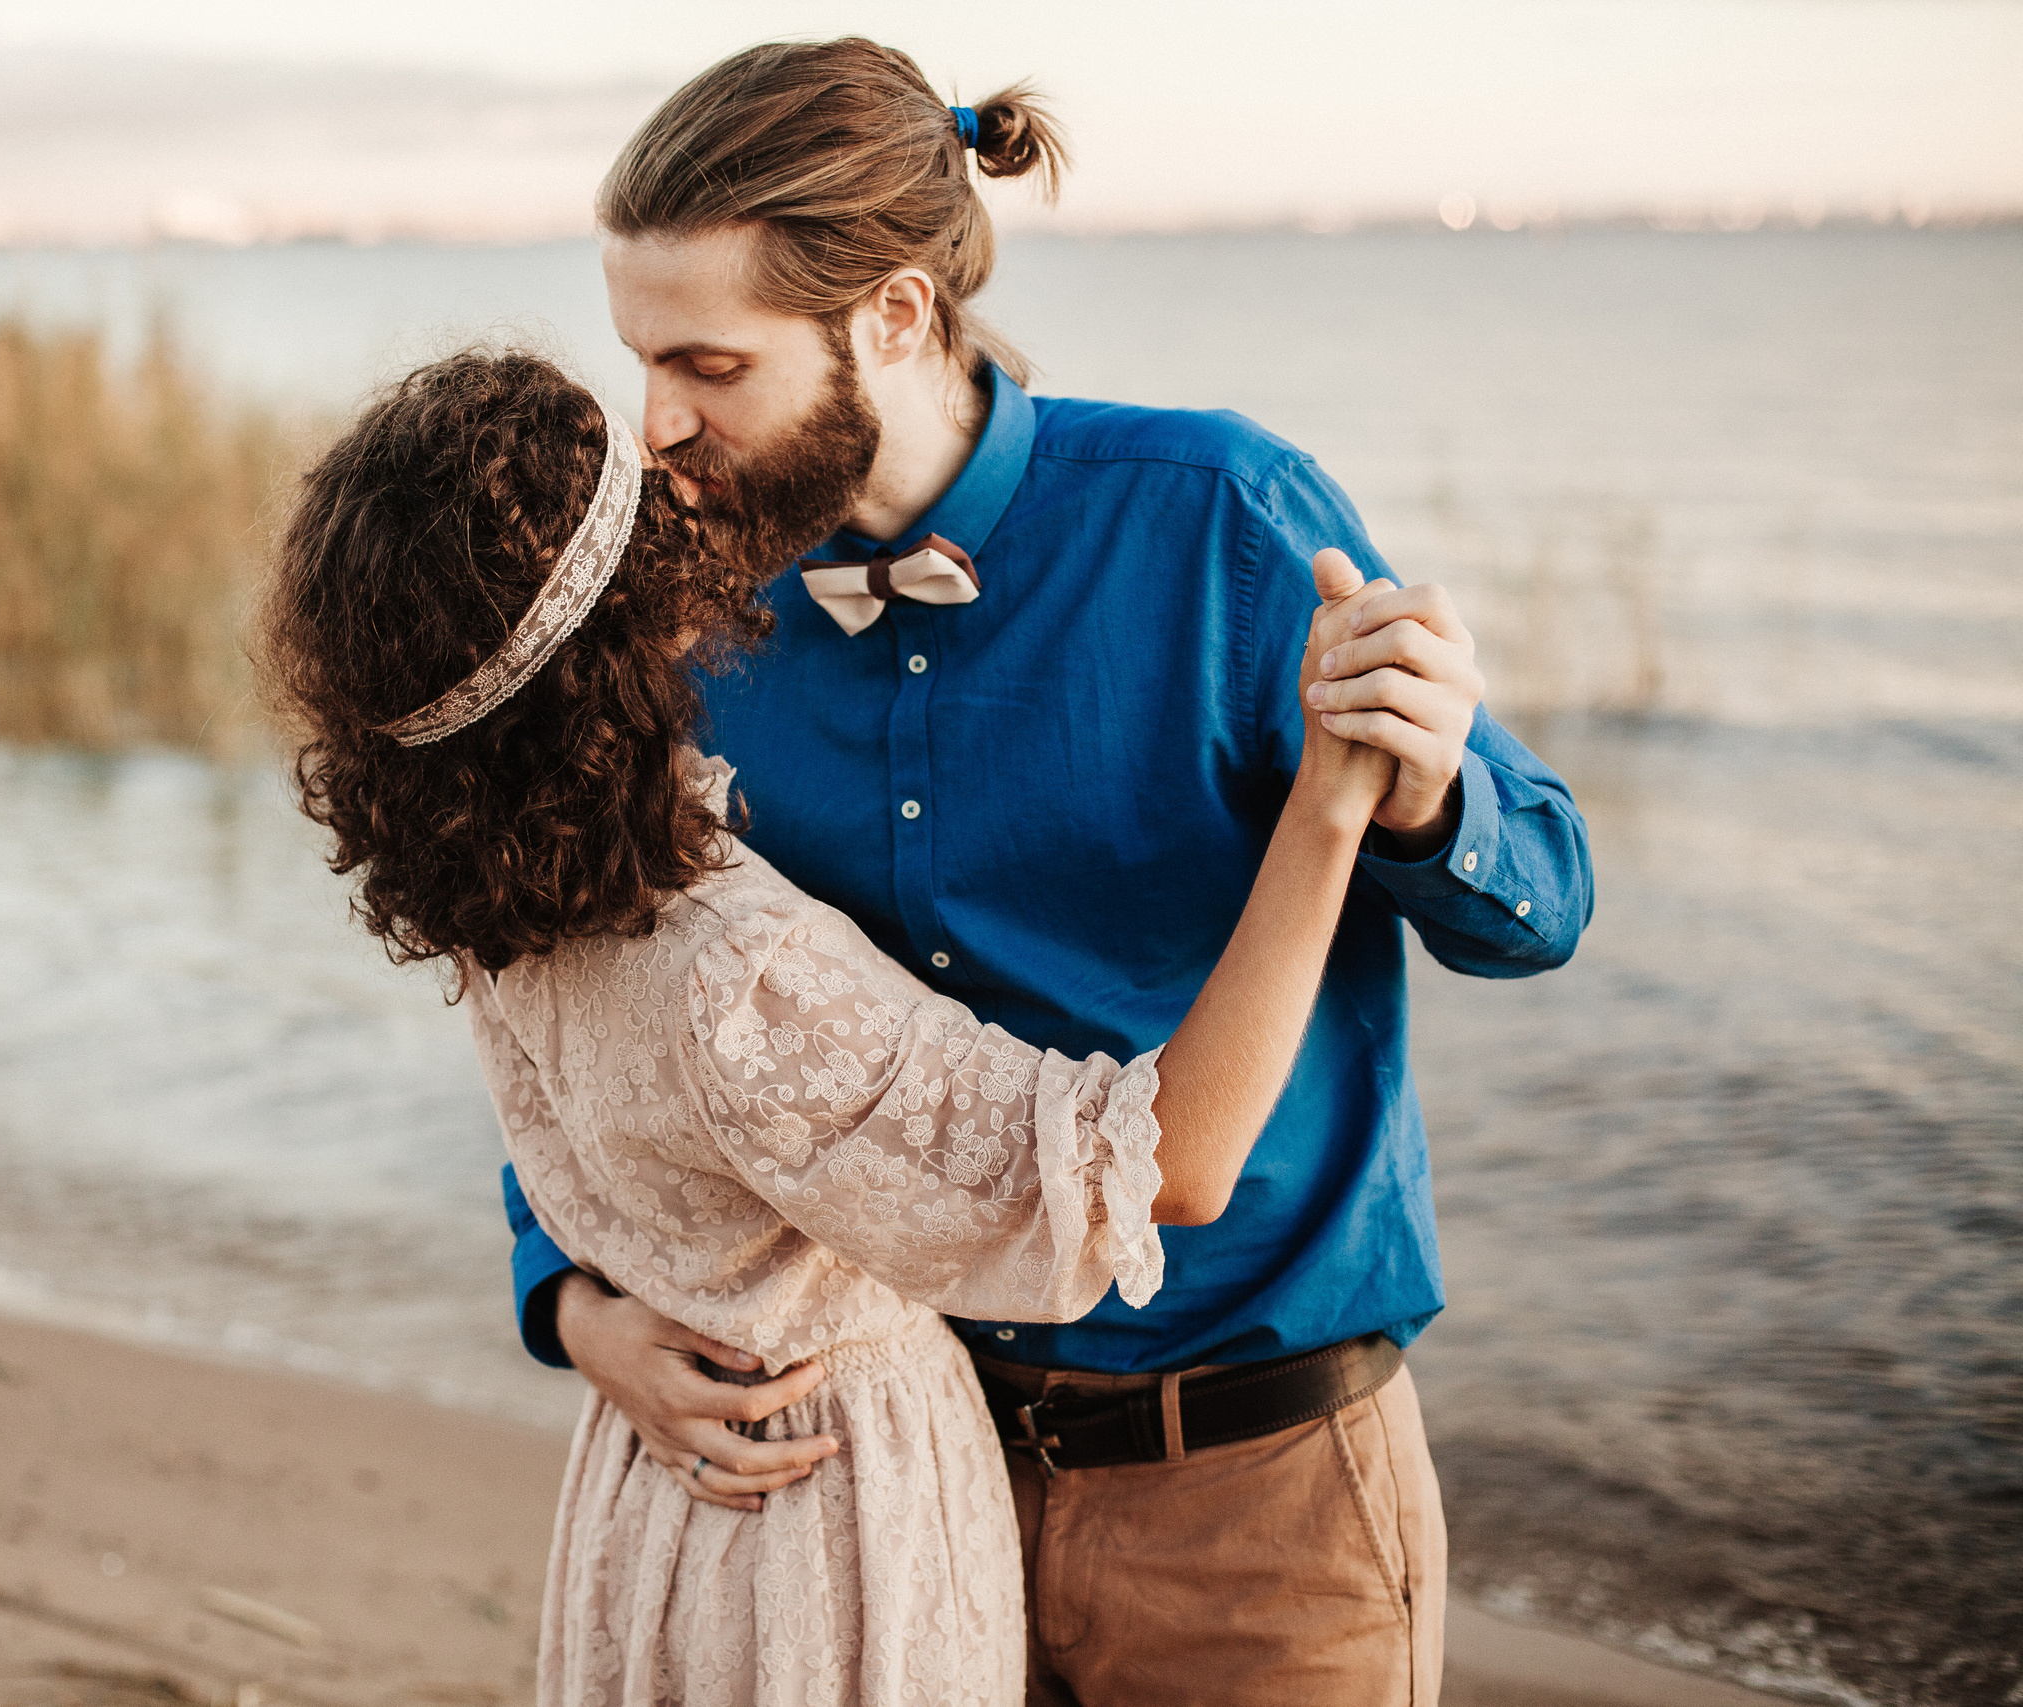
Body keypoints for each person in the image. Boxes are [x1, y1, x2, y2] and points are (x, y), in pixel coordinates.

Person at [497, 38, 1595, 1707]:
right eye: (642, 358)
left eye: (710, 364)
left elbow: (1545, 907)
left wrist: (1430, 794)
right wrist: (575, 1299)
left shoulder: (1219, 521)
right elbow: (583, 992)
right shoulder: (689, 608)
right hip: (874, 1497)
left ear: (895, 315)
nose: (657, 424)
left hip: (1260, 1512)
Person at [255, 347, 1412, 1704]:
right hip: (836, 1518)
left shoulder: (507, 900)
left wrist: (581, 1311)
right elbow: (1158, 1169)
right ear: (640, 613)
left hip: (664, 1504)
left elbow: (594, 1167)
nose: (674, 452)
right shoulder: (729, 966)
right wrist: (1329, 805)